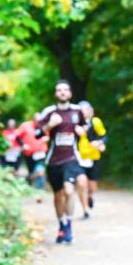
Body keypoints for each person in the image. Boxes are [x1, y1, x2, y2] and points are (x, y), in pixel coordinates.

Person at [37, 81, 88, 244]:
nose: (62, 92)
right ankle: (62, 225)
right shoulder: (50, 112)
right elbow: (37, 133)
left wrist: (82, 131)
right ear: (55, 94)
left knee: (69, 190)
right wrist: (50, 125)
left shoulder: (77, 111)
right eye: (59, 90)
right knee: (58, 196)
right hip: (53, 160)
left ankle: (69, 225)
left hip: (71, 158)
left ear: (70, 93)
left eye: (65, 90)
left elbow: (85, 127)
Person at [76, 100, 107, 219]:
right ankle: (85, 211)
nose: (84, 112)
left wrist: (100, 143)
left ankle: (90, 196)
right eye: (81, 110)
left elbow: (104, 136)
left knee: (92, 186)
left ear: (91, 111)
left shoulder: (96, 122)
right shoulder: (74, 124)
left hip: (94, 157)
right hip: (78, 157)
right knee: (81, 183)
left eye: (86, 109)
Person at [18, 113, 48, 192]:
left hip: (40, 153)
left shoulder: (45, 126)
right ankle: (28, 184)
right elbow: (17, 136)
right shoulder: (25, 126)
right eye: (37, 120)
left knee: (40, 171)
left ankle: (40, 190)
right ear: (33, 119)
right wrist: (23, 145)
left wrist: (46, 138)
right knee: (31, 171)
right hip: (29, 154)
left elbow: (50, 135)